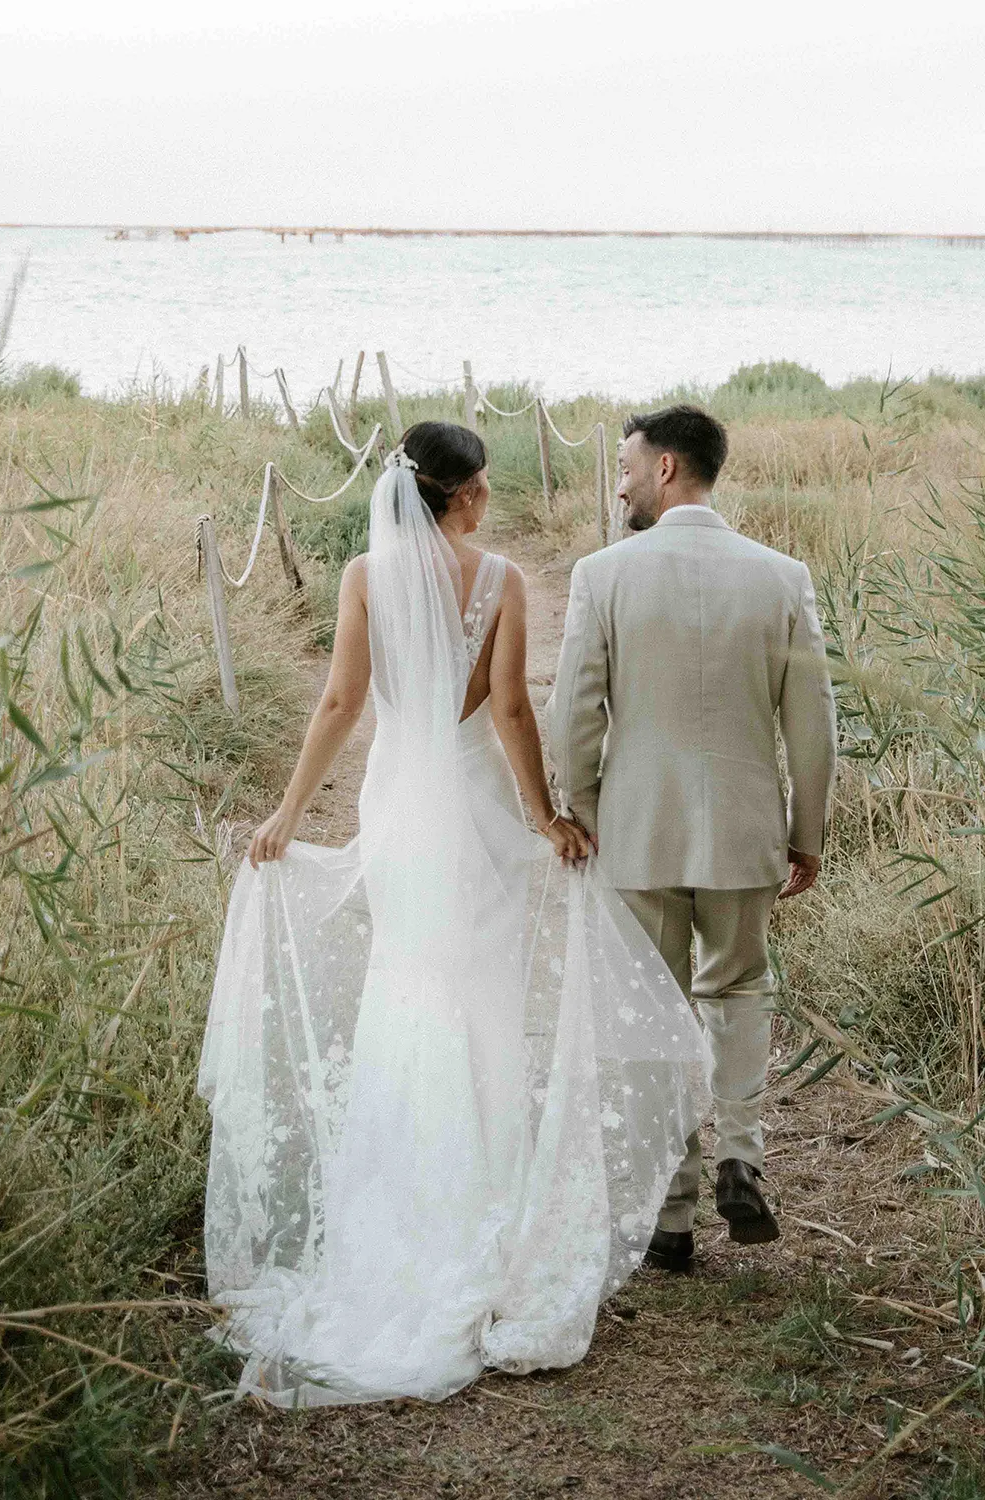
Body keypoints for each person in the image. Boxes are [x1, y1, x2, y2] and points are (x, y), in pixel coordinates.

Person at [198, 421, 709, 1406]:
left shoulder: (363, 578)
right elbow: (513, 709)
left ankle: (399, 1220)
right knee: (479, 1005)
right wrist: (547, 816)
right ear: (463, 496)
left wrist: (288, 814)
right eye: (483, 487)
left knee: (407, 998)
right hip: (472, 816)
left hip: (400, 812)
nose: (489, 498)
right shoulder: (502, 581)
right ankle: (487, 1208)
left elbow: (340, 703)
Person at [547, 404, 837, 1273]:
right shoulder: (782, 576)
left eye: (629, 466)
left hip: (637, 829)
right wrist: (806, 829)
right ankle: (741, 1154)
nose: (622, 481)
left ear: (668, 468)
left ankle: (672, 1214)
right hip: (747, 828)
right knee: (739, 988)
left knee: (653, 1009)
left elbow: (572, 715)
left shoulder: (603, 575)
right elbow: (813, 722)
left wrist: (588, 808)